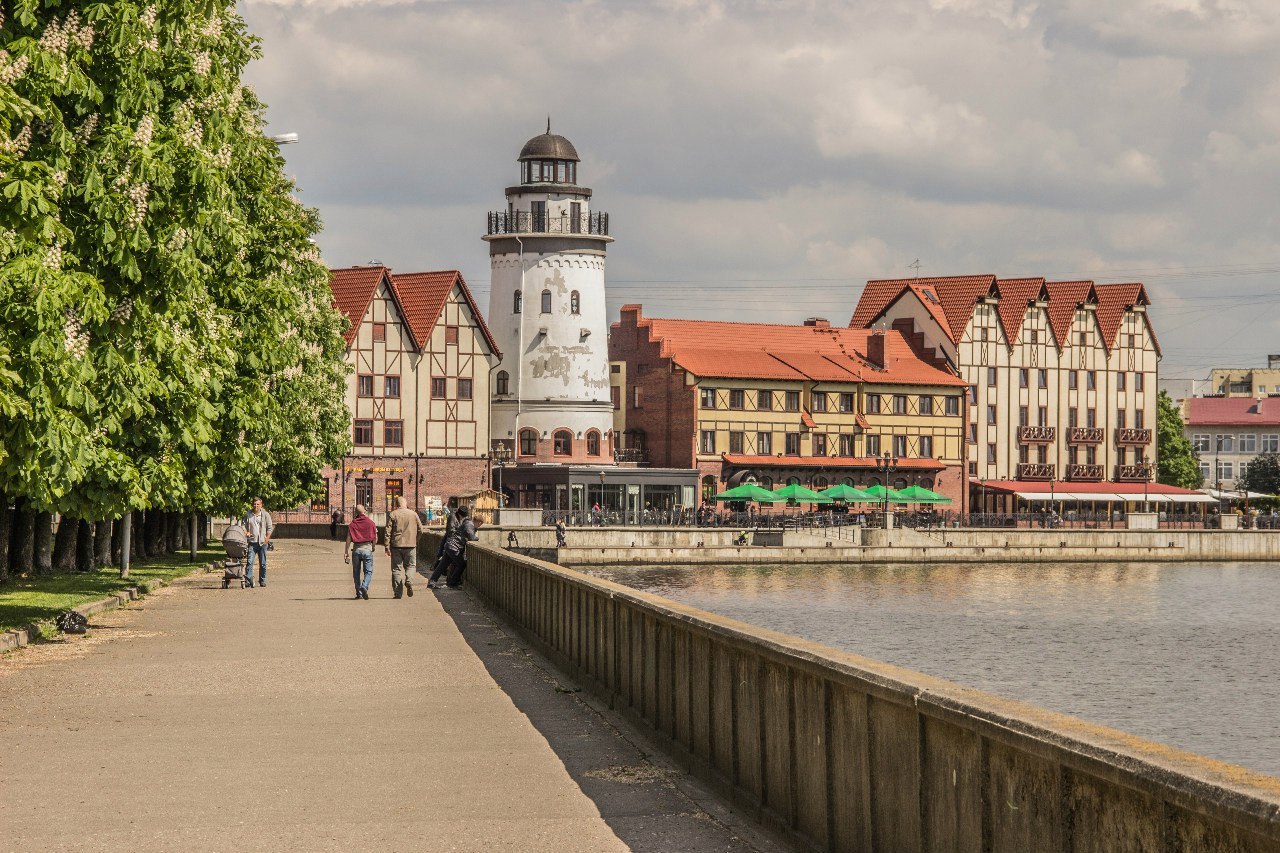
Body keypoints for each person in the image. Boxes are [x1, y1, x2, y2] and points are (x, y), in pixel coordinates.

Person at [429, 506, 478, 589]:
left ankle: (432, 582)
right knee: (461, 564)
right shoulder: (464, 522)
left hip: (450, 544)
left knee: (443, 565)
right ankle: (452, 583)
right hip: (453, 546)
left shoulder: (464, 521)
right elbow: (471, 537)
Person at [386, 496, 421, 599]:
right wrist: (415, 540)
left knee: (396, 569)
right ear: (405, 503)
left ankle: (398, 593)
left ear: (396, 504)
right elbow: (421, 530)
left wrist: (386, 546)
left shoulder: (393, 514)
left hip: (396, 545)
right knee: (411, 566)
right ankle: (409, 580)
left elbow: (387, 532)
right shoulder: (413, 514)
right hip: (411, 545)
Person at [345, 504, 378, 600]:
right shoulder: (371, 523)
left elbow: (348, 539)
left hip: (356, 550)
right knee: (368, 571)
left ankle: (359, 593)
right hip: (367, 549)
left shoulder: (352, 524)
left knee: (356, 572)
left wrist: (346, 552)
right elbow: (375, 537)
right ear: (364, 511)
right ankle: (365, 586)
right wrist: (373, 547)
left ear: (356, 512)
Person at [242, 498, 273, 588]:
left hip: (262, 543)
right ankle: (248, 580)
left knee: (263, 563)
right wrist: (246, 532)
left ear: (261, 505)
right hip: (252, 541)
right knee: (250, 561)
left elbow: (269, 527)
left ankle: (262, 580)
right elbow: (243, 525)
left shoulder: (265, 515)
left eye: (257, 504)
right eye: (254, 504)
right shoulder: (248, 514)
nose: (256, 506)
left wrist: (267, 538)